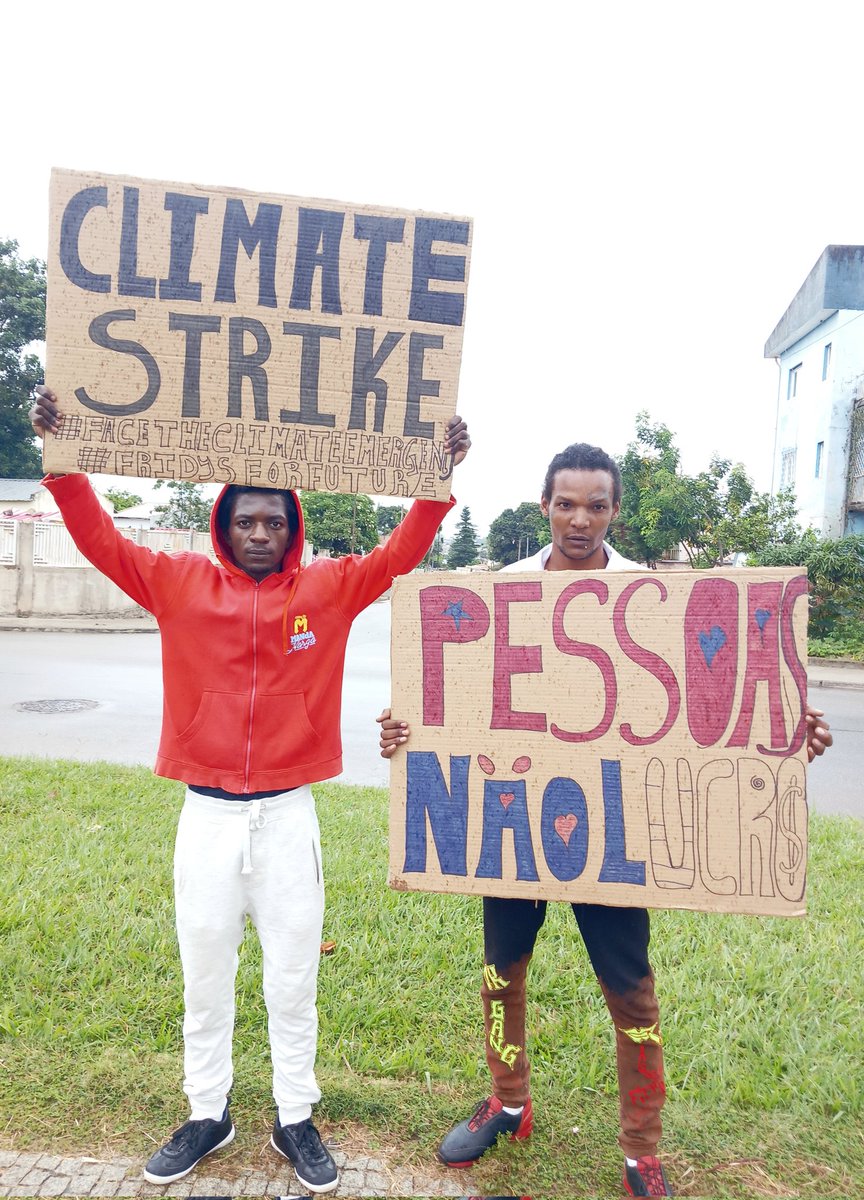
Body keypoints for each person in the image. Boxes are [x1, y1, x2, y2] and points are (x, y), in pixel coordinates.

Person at [30, 385, 470, 1195]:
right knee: (205, 972)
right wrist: (63, 464)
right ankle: (209, 1111)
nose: (261, 534)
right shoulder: (176, 582)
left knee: (291, 975)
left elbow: (398, 555)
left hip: (288, 815)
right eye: (246, 521)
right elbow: (97, 540)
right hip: (205, 819)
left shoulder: (328, 591)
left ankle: (294, 1117)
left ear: (293, 526)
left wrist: (435, 479)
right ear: (223, 525)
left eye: (275, 521)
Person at [378, 441, 833, 1198]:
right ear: (544, 506)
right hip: (514, 819)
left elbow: (707, 710)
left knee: (631, 990)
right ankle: (509, 1103)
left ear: (615, 511)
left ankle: (641, 1146)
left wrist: (789, 733)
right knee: (501, 975)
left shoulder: (648, 597)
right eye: (566, 503)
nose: (579, 519)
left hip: (615, 831)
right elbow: (449, 701)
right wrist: (405, 732)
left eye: (595, 505)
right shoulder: (503, 592)